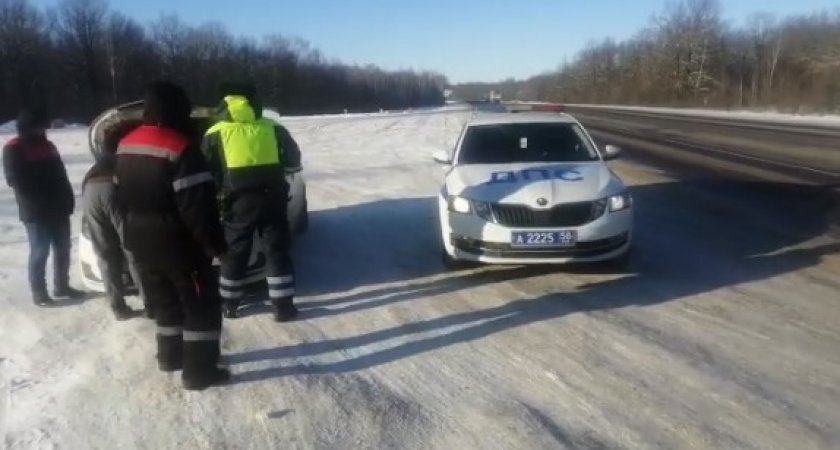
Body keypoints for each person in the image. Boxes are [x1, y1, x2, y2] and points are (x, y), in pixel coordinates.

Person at [115, 81, 229, 390]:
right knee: (200, 307)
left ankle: (170, 357)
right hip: (179, 248)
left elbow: (120, 197)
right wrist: (216, 244)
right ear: (179, 109)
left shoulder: (126, 144)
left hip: (141, 245)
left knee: (165, 304)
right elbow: (198, 208)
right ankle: (199, 372)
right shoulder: (181, 148)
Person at [202, 82, 302, 322]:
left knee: (235, 253)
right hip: (273, 199)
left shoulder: (215, 132)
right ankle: (283, 307)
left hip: (237, 203)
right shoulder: (273, 127)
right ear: (253, 102)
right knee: (276, 251)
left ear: (224, 103)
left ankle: (230, 305)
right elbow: (293, 160)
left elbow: (205, 169)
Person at [2, 105, 86, 306]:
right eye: (38, 127)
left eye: (43, 127)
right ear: (27, 127)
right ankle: (39, 292)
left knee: (63, 248)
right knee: (40, 251)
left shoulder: (49, 146)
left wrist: (68, 197)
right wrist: (43, 194)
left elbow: (61, 174)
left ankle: (61, 285)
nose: (42, 130)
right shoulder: (13, 148)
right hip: (36, 210)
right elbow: (15, 180)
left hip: (58, 207)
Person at [81, 149, 148, 321]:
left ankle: (118, 308)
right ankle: (150, 305)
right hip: (114, 188)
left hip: (90, 191)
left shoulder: (95, 166)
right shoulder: (130, 158)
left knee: (105, 255)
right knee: (132, 250)